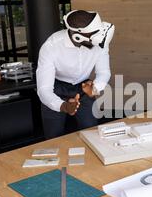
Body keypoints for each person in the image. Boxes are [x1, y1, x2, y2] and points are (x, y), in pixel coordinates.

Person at [36, 9, 114, 139]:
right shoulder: (51, 46)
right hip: (56, 88)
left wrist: (94, 88)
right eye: (94, 35)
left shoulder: (100, 40)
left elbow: (104, 72)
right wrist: (64, 106)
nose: (99, 37)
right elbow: (44, 90)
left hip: (84, 87)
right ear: (77, 36)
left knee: (92, 133)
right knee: (53, 137)